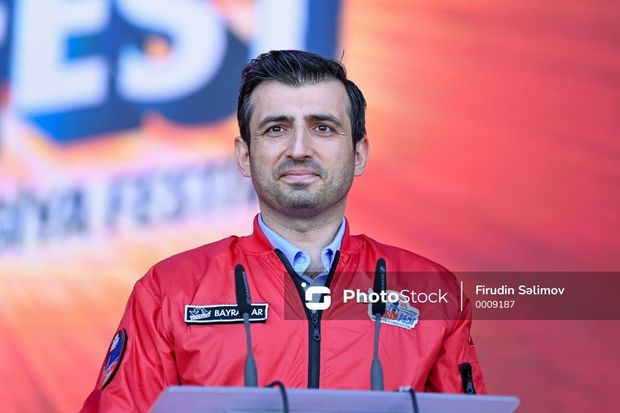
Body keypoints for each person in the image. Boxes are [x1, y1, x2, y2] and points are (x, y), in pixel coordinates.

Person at [80, 50, 486, 412]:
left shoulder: (433, 291)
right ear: (244, 155)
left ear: (359, 154)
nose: (299, 149)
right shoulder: (169, 291)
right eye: (276, 128)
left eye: (323, 127)